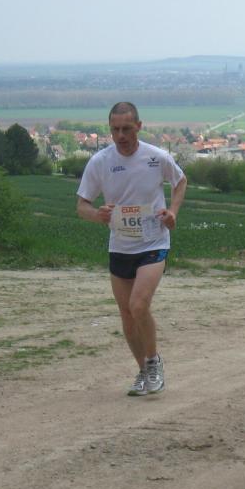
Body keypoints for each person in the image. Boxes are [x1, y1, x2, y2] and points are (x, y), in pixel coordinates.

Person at [76, 102, 187, 396]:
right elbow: (81, 205)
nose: (121, 135)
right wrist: (97, 214)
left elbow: (180, 181)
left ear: (139, 126)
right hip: (120, 245)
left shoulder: (156, 157)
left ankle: (153, 362)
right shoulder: (100, 161)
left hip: (153, 242)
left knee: (139, 305)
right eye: (115, 130)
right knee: (127, 314)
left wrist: (173, 212)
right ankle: (143, 370)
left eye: (126, 129)